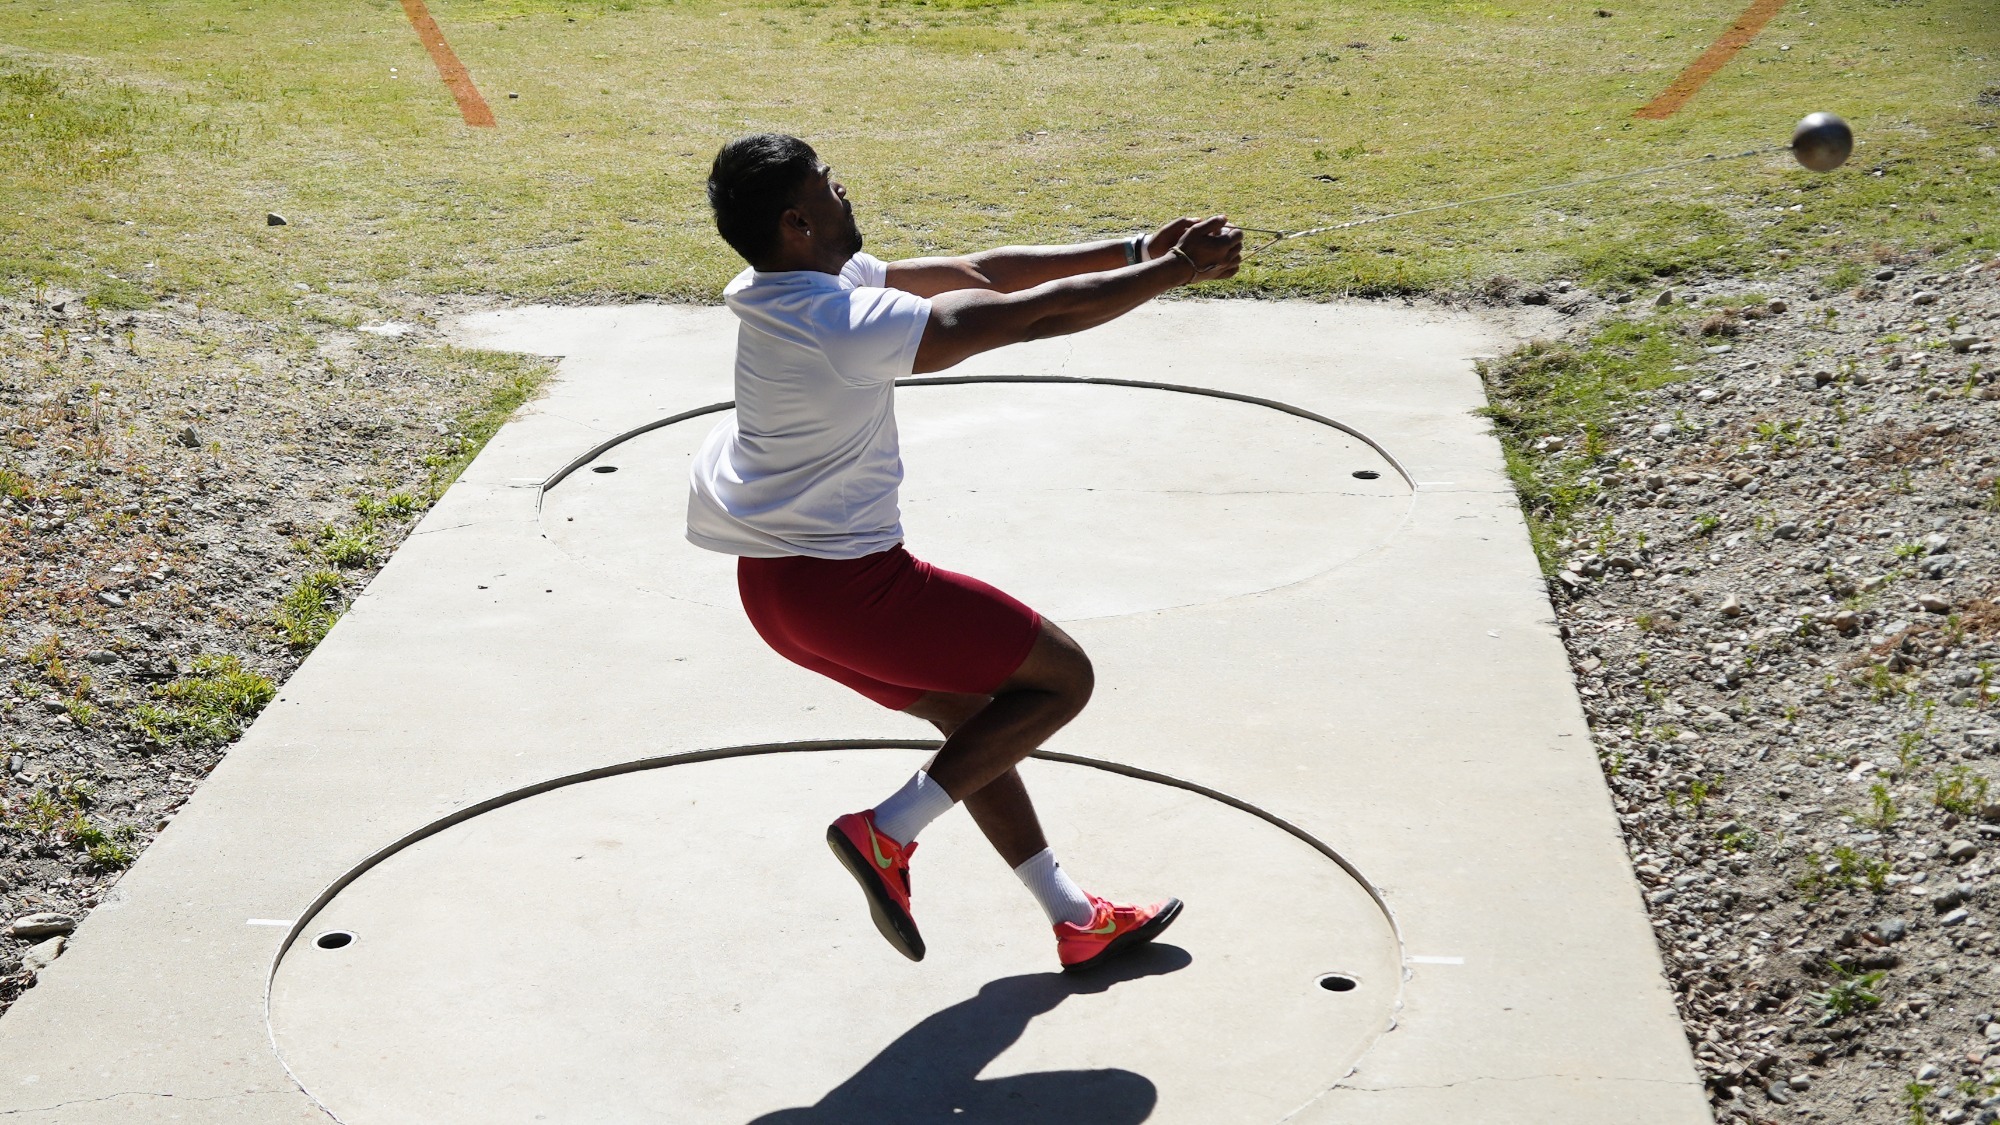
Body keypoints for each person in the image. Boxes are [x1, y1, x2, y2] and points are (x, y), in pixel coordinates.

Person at [688, 133, 1242, 972]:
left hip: (774, 594)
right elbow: (1033, 315)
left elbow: (984, 273)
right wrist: (1178, 274)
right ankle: (886, 832)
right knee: (1063, 677)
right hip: (850, 590)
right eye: (831, 186)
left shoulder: (781, 286)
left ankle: (1076, 917)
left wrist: (1138, 250)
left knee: (977, 728)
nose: (848, 193)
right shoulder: (841, 322)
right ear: (798, 220)